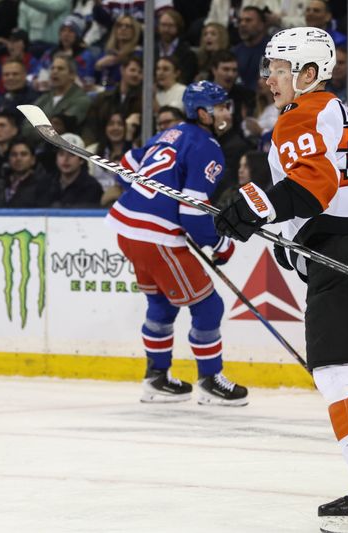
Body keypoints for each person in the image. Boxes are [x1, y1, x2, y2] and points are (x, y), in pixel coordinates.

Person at [213, 27, 348, 532]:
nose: (269, 78)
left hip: (342, 244)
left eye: (279, 69)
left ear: (308, 74)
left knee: (335, 369)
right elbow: (329, 183)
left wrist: (253, 204)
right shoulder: (347, 115)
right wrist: (285, 238)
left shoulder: (301, 113)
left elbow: (312, 188)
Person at [105, 80, 247, 406]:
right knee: (209, 305)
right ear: (203, 113)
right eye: (221, 107)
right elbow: (193, 214)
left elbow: (126, 167)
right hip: (155, 235)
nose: (227, 112)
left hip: (127, 228)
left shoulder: (169, 133)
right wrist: (219, 244)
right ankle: (211, 381)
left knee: (162, 304)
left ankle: (156, 378)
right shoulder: (208, 147)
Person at [47, 133, 102, 208]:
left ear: (81, 160)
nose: (65, 159)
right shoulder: (46, 183)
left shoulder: (92, 187)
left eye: (71, 154)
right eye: (61, 154)